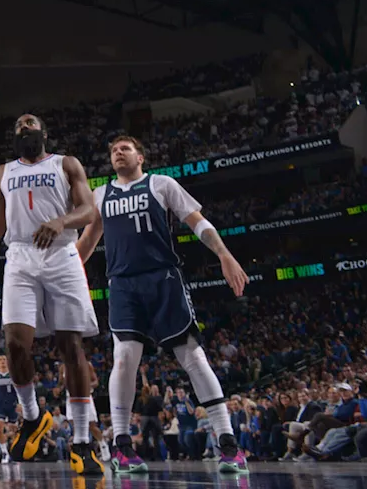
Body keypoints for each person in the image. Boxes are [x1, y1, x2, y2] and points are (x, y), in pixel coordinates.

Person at [75, 135, 251, 474]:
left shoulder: (161, 184)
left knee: (193, 357)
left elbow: (197, 220)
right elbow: (85, 245)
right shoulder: (101, 195)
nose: (117, 153)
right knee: (124, 359)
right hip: (123, 284)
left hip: (164, 279)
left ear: (140, 156)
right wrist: (60, 282)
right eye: (113, 150)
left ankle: (228, 443)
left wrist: (225, 254)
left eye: (124, 148)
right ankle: (123, 445)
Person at [0, 114, 101, 475]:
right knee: (14, 343)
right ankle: (32, 417)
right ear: (15, 138)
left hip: (61, 254)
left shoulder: (66, 163)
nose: (24, 126)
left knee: (71, 347)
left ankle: (81, 442)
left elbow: (89, 209)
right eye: (18, 126)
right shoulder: (2, 173)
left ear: (44, 131)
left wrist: (62, 221)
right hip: (21, 258)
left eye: (31, 122)